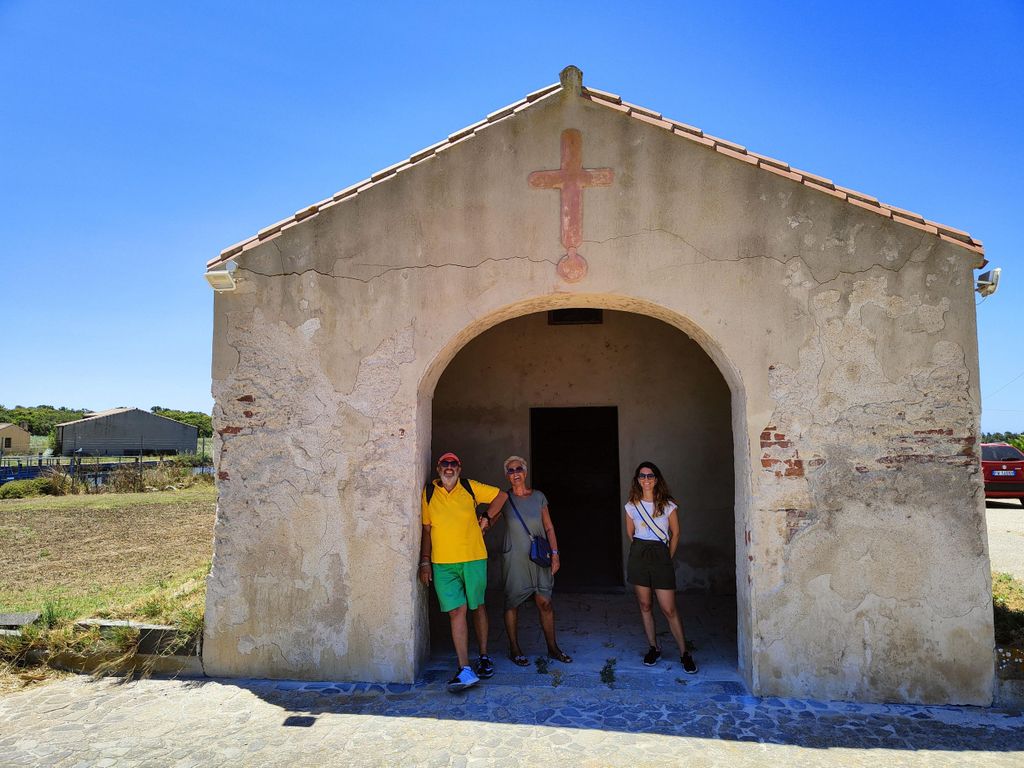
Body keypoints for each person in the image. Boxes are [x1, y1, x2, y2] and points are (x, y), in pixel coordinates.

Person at [419, 451, 507, 692]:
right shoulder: (428, 493)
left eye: (453, 464)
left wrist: (487, 516)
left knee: (477, 606)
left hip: (473, 558)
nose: (449, 467)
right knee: (456, 611)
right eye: (445, 463)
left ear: (459, 468)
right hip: (443, 563)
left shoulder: (469, 487)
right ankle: (464, 668)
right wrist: (425, 561)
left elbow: (501, 495)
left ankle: (484, 656)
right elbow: (427, 530)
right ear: (438, 468)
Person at [482, 455, 571, 667]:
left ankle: (552, 647)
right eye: (511, 471)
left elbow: (549, 527)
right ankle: (514, 649)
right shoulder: (505, 498)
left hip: (539, 556)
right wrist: (480, 524)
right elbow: (489, 522)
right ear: (507, 476)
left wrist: (555, 553)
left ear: (525, 472)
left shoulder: (538, 497)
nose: (515, 474)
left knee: (545, 602)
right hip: (514, 558)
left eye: (519, 469)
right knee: (512, 602)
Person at [624, 461, 698, 674]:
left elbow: (676, 533)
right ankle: (653, 647)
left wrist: (667, 556)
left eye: (650, 476)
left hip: (661, 555)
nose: (646, 480)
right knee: (645, 605)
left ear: (656, 479)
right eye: (642, 476)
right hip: (639, 555)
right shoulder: (631, 506)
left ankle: (684, 652)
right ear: (637, 480)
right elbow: (631, 534)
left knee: (669, 608)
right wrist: (642, 551)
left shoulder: (667, 505)